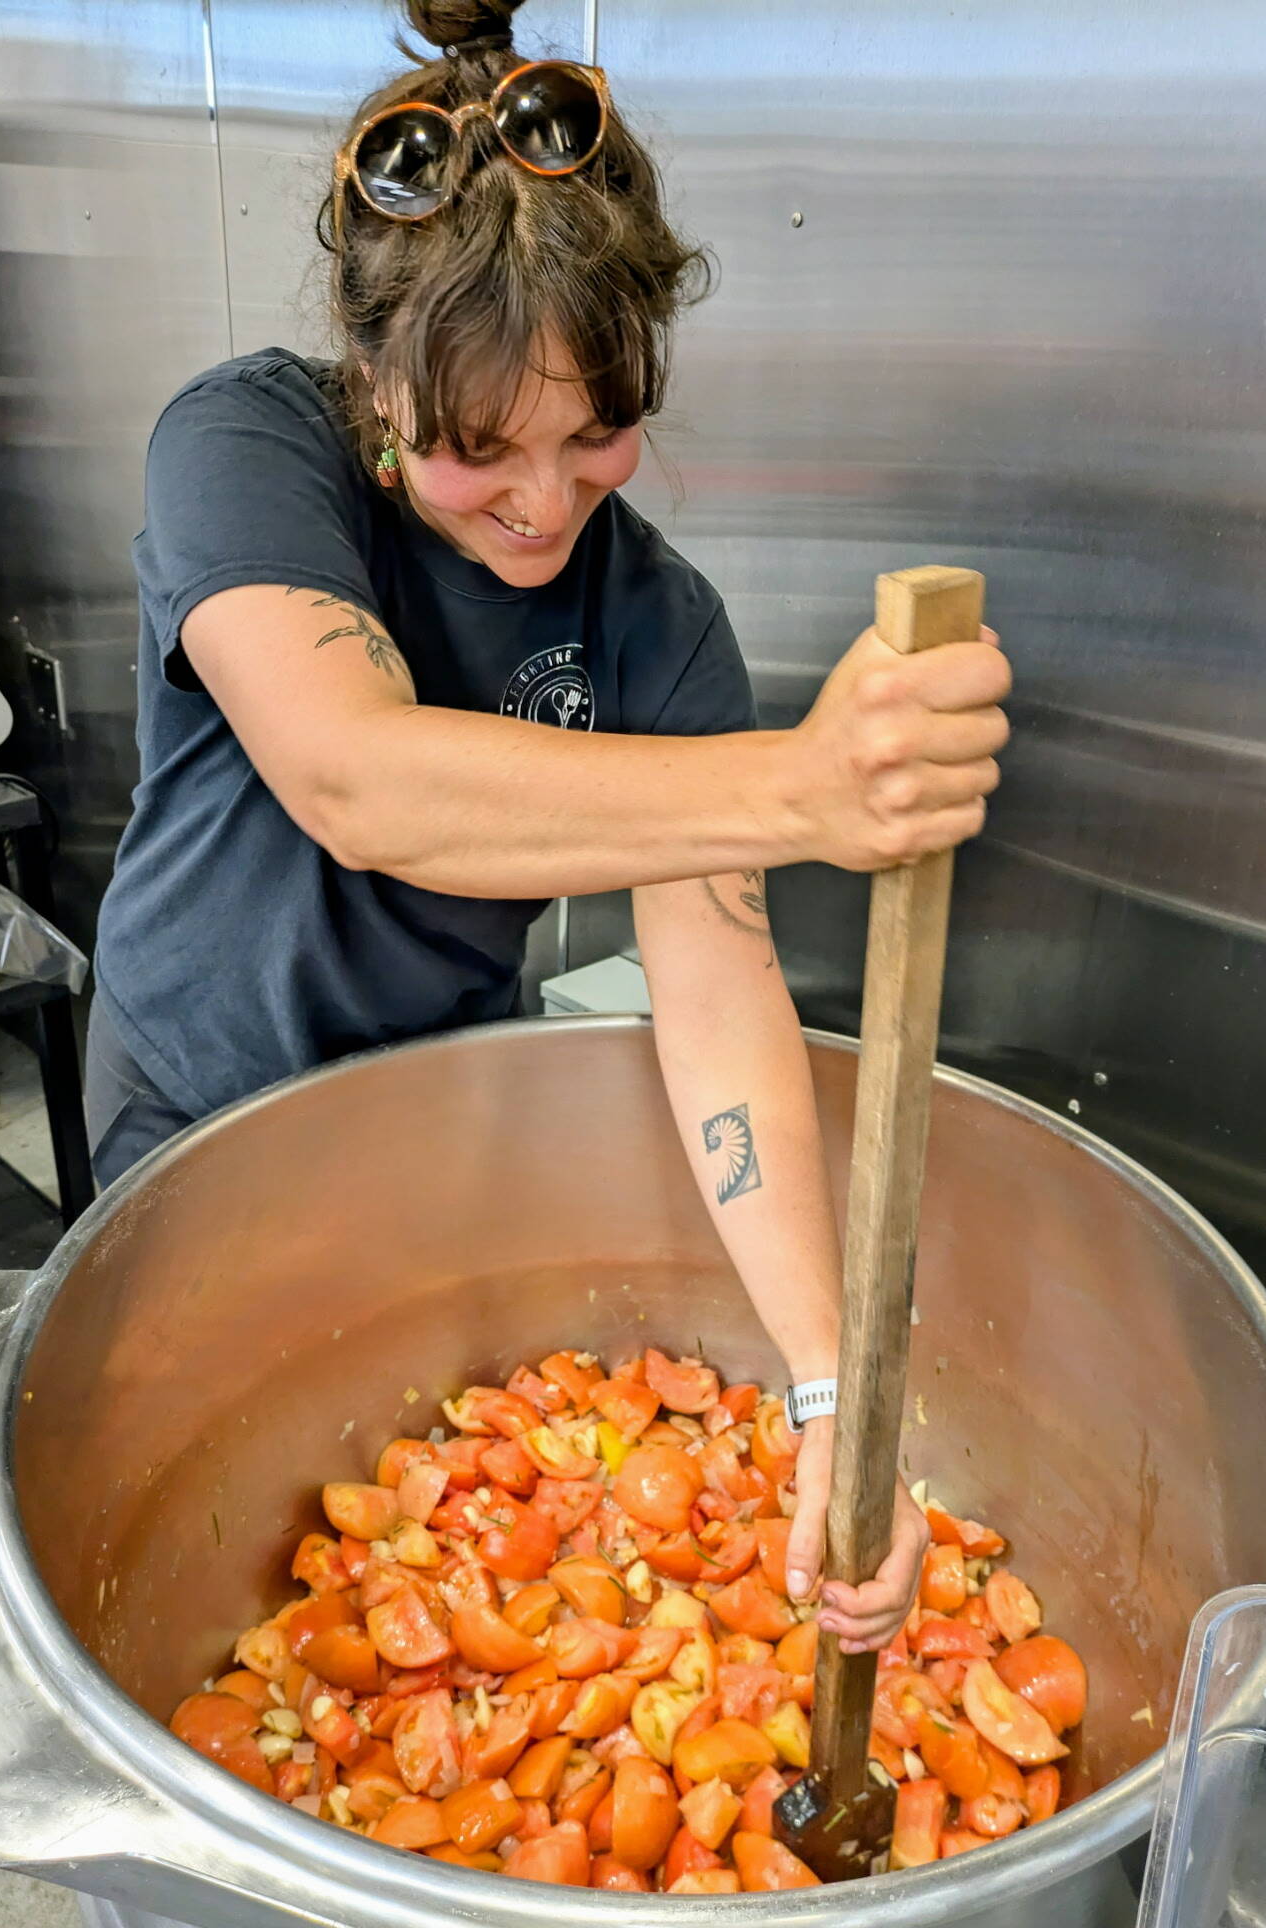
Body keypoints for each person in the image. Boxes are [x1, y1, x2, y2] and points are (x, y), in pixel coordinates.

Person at [88, 0, 1011, 1661]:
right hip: (199, 1107)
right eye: (473, 451)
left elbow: (717, 992)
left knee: (415, 1482)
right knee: (195, 1536)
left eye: (595, 438)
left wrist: (822, 1392)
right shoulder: (245, 446)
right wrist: (803, 785)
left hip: (446, 1116)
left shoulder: (656, 620)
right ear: (377, 380)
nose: (538, 502)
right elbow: (354, 779)